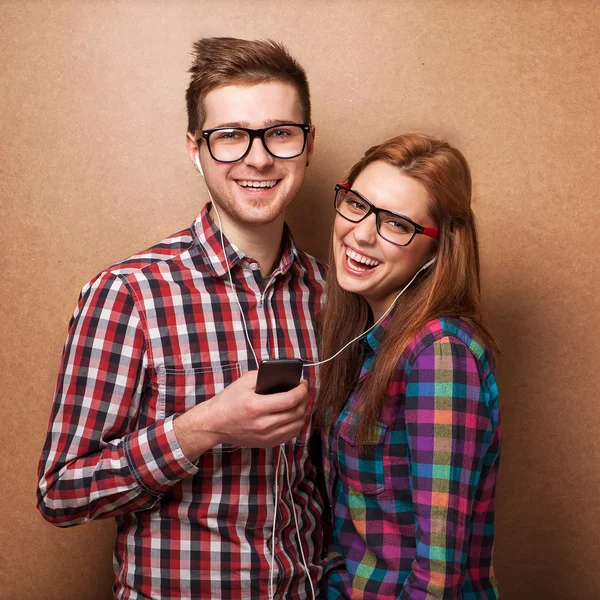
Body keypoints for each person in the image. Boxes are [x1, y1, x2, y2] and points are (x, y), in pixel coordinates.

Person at [37, 37, 327, 600]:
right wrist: (204, 427)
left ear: (308, 145)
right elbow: (60, 493)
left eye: (280, 134)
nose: (259, 158)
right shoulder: (128, 295)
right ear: (195, 150)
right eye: (230, 137)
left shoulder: (329, 295)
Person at [316, 133, 501, 599]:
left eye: (396, 224)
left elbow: (436, 579)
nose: (361, 233)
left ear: (437, 250)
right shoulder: (363, 339)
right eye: (357, 204)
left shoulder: (440, 354)